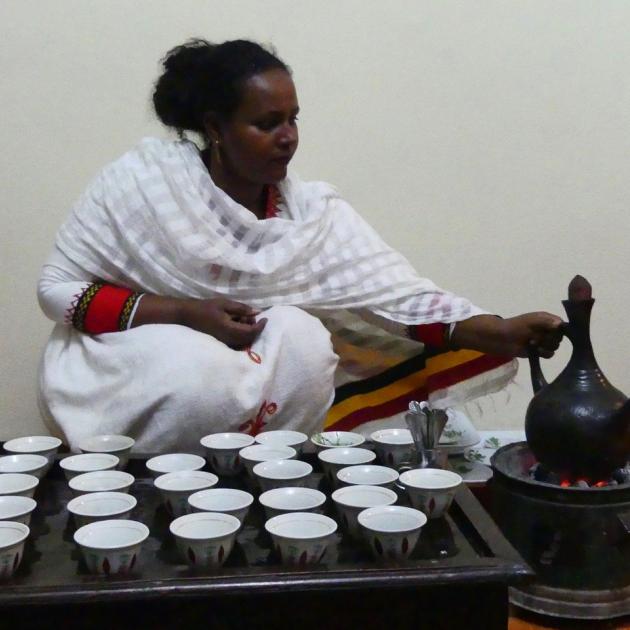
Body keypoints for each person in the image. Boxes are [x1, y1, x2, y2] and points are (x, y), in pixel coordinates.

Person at [37, 39, 562, 453]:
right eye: (267, 124)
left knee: (306, 337)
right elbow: (57, 291)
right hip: (135, 363)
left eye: (293, 119)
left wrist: (498, 330)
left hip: (248, 387)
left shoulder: (311, 214)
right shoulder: (142, 184)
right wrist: (185, 312)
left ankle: (266, 479)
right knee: (198, 371)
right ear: (215, 128)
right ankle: (160, 489)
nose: (287, 137)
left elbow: (395, 296)